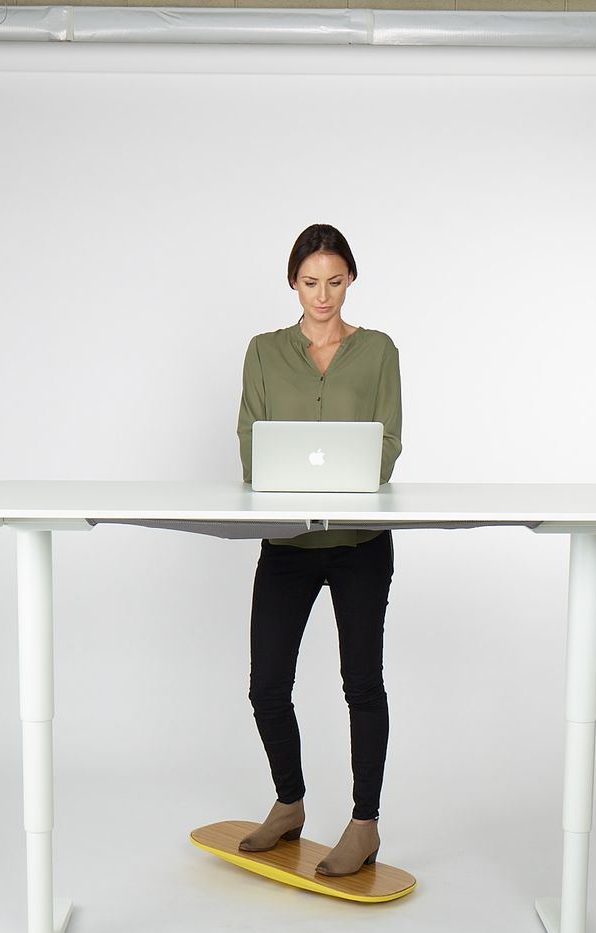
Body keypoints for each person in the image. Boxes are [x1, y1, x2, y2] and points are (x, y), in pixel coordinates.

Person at [234, 224, 402, 876]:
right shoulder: (263, 351)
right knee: (266, 684)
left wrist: (345, 478)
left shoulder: (380, 350)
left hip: (361, 544)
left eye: (334, 281)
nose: (323, 295)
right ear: (292, 283)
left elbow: (386, 446)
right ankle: (289, 803)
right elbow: (251, 444)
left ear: (350, 279)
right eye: (311, 282)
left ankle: (365, 824)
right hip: (290, 543)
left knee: (361, 683)